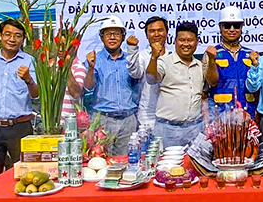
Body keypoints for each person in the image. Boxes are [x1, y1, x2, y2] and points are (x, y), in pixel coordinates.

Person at [0, 18, 39, 180]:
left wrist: (28, 79)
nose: (12, 39)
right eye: (8, 34)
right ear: (0, 36)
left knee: (25, 176)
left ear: (23, 39)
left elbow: (36, 94)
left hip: (20, 127)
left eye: (17, 35)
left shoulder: (29, 61)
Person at [82, 16, 142, 148]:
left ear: (123, 36)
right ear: (101, 37)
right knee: (100, 158)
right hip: (102, 121)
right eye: (108, 34)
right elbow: (88, 88)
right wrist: (91, 68)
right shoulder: (94, 59)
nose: (112, 37)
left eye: (117, 34)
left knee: (128, 159)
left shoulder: (131, 59)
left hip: (128, 121)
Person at [147, 21, 207, 146]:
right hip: (168, 130)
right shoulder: (164, 62)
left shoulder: (200, 66)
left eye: (190, 40)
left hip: (195, 129)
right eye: (182, 40)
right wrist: (154, 57)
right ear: (175, 41)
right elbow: (151, 79)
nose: (186, 44)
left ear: (197, 42)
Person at [205, 6, 258, 117]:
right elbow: (211, 82)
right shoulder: (211, 53)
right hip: (221, 116)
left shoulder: (251, 54)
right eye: (227, 26)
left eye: (236, 26)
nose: (232, 29)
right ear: (220, 28)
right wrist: (212, 60)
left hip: (247, 115)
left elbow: (257, 89)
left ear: (242, 27)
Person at [128, 15, 170, 130]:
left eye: (160, 30)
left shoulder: (173, 57)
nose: (156, 34)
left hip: (170, 116)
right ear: (146, 35)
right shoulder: (141, 56)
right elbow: (134, 74)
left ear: (167, 33)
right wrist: (132, 50)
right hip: (148, 116)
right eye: (152, 31)